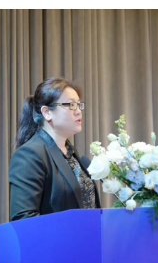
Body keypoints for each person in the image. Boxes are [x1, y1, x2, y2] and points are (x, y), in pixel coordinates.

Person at [9, 77, 100, 221]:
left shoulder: (72, 155)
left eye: (79, 105)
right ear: (47, 112)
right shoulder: (30, 155)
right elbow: (23, 218)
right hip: (59, 237)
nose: (78, 111)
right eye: (71, 105)